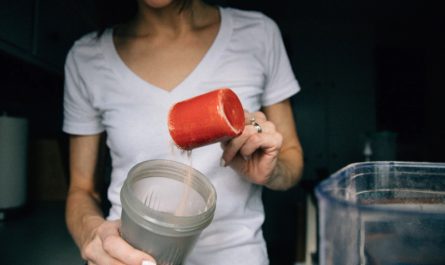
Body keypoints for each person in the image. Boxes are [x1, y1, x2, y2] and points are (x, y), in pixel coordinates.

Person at [63, 0, 304, 264]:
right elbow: (81, 190)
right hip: (128, 256)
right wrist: (93, 234)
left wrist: (272, 170)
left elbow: (292, 160)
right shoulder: (86, 57)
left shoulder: (259, 34)